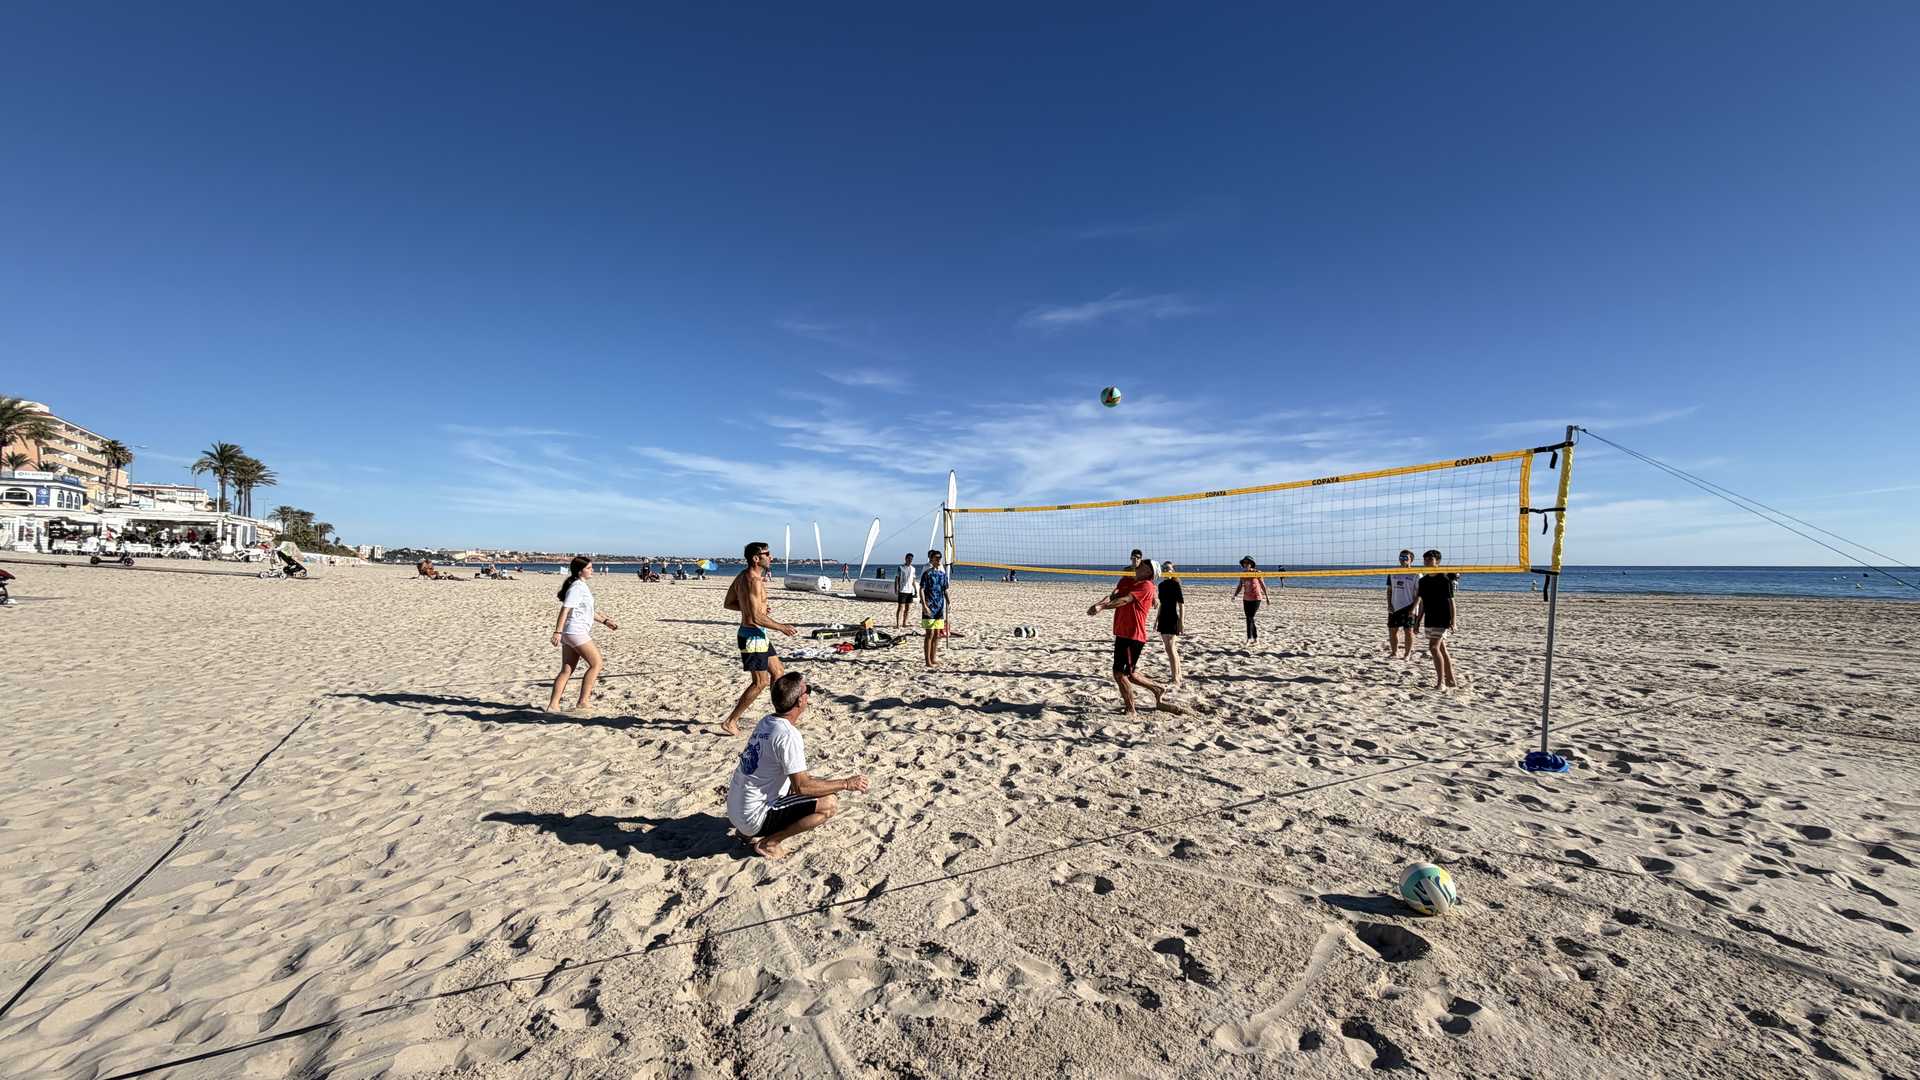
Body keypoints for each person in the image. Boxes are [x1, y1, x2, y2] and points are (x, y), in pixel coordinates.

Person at [726, 672, 870, 859]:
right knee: (828, 803)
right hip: (753, 817)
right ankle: (770, 843)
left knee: (791, 778)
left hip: (736, 811)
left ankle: (746, 833)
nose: (808, 695)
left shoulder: (767, 722)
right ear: (801, 701)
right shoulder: (787, 735)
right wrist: (846, 783)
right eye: (807, 690)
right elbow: (802, 787)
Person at [722, 541, 797, 736]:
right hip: (751, 636)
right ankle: (731, 721)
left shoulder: (742, 576)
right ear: (756, 558)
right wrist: (781, 627)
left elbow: (730, 603)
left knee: (778, 671)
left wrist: (754, 609)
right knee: (760, 682)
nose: (771, 557)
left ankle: (778, 717)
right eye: (767, 554)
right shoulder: (753, 581)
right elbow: (755, 617)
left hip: (759, 635)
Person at [1089, 558, 1172, 716]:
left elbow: (1124, 600)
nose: (1138, 565)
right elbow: (1114, 596)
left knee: (1120, 674)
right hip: (1123, 633)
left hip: (1133, 635)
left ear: (1149, 572)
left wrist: (1102, 607)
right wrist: (1099, 604)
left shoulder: (1146, 585)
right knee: (1130, 674)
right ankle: (1157, 688)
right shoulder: (1128, 581)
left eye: (1143, 565)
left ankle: (1131, 709)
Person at [547, 556, 619, 711]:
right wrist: (557, 632)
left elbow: (588, 611)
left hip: (571, 632)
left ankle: (553, 705)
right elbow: (565, 609)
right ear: (580, 571)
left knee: (567, 670)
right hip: (575, 632)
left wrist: (605, 621)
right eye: (589, 568)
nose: (592, 570)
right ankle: (583, 702)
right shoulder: (577, 587)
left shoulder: (580, 586)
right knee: (597, 664)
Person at [1408, 549, 1460, 690]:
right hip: (1429, 618)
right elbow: (1423, 603)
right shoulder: (1423, 581)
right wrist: (1418, 622)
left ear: (1437, 562)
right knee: (1442, 649)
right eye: (1425, 560)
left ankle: (1441, 683)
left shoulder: (1444, 579)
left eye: (1430, 560)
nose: (1427, 562)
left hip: (1442, 618)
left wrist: (1453, 622)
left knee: (1433, 647)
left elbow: (1451, 602)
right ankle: (1451, 680)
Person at [1386, 549, 1420, 660]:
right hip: (1395, 606)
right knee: (1392, 630)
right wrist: (1389, 604)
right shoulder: (1393, 572)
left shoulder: (1416, 574)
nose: (1402, 560)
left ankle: (1407, 654)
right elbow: (1389, 590)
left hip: (1409, 606)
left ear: (1411, 560)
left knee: (1408, 631)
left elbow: (1420, 594)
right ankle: (1394, 652)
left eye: (1405, 558)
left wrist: (1413, 608)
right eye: (1401, 557)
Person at [919, 549, 950, 668]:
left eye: (940, 557)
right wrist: (924, 605)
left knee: (937, 634)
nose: (938, 560)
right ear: (931, 559)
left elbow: (944, 589)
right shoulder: (927, 573)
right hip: (929, 606)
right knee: (929, 634)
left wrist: (948, 601)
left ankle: (933, 658)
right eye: (936, 558)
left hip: (939, 607)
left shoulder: (942, 574)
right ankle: (927, 661)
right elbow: (921, 589)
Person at [1156, 560, 1185, 685]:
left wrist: (1181, 621)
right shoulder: (1161, 585)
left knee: (1170, 648)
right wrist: (1156, 619)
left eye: (1169, 568)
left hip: (1173, 617)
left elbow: (1181, 605)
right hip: (1163, 617)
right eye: (1164, 568)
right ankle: (1178, 674)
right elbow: (1161, 604)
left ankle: (1175, 678)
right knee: (1170, 648)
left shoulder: (1175, 584)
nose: (1166, 570)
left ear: (1173, 571)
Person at [1231, 556, 1268, 643]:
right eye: (1244, 563)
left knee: (1250, 617)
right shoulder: (1243, 574)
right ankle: (1252, 638)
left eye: (1247, 563)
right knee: (1249, 618)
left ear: (1251, 564)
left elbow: (1263, 585)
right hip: (1246, 598)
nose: (1246, 564)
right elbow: (1240, 586)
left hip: (1256, 598)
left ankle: (1251, 638)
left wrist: (1267, 597)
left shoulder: (1257, 573)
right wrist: (1235, 595)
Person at [894, 552, 918, 629]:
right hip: (902, 590)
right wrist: (896, 588)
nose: (910, 560)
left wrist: (916, 590)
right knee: (900, 608)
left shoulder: (913, 569)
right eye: (909, 559)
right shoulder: (900, 567)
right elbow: (897, 579)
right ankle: (898, 624)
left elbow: (913, 580)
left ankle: (904, 623)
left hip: (910, 591)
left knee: (908, 608)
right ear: (906, 559)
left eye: (911, 559)